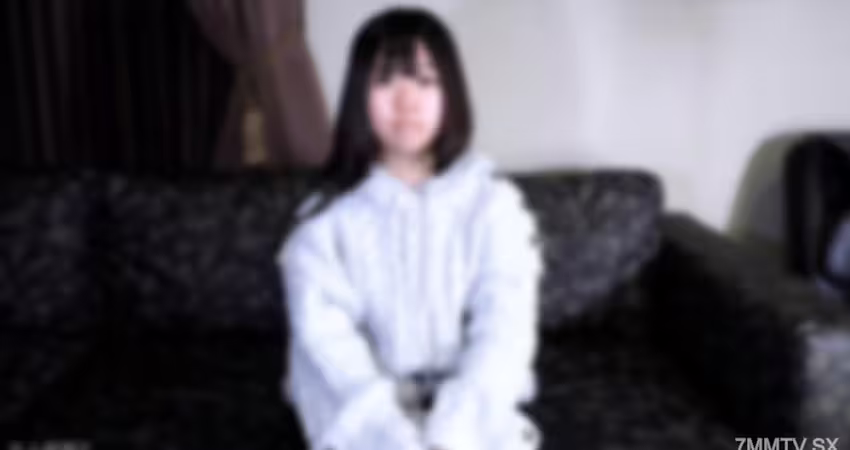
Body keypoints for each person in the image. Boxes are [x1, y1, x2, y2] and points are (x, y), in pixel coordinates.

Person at [277, 7, 543, 450]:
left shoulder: (494, 207)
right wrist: (391, 430)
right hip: (357, 410)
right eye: (386, 81)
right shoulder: (325, 220)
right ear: (358, 95)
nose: (407, 100)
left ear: (450, 93)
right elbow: (326, 339)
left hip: (472, 409)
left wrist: (455, 426)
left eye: (426, 80)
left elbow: (505, 326)